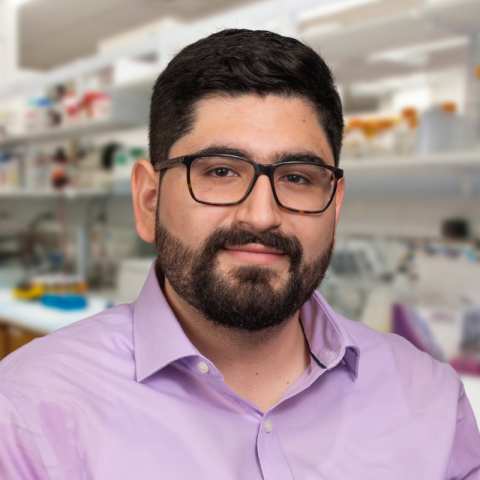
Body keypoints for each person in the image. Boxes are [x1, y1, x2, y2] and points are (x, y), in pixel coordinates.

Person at [0, 29, 479, 479]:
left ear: (334, 205)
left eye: (297, 177)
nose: (261, 215)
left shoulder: (432, 401)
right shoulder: (27, 412)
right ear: (149, 200)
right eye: (221, 172)